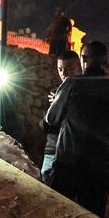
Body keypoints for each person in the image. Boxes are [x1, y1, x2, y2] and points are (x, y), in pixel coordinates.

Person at [45, 41, 109, 217]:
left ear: (83, 59)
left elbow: (51, 118)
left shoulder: (72, 84)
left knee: (59, 214)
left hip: (68, 163)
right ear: (105, 60)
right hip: (97, 166)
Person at [39, 51, 81, 183]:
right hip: (52, 150)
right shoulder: (55, 93)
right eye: (60, 69)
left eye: (69, 68)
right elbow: (45, 124)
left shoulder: (84, 94)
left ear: (79, 68)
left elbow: (49, 122)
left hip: (70, 155)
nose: (64, 73)